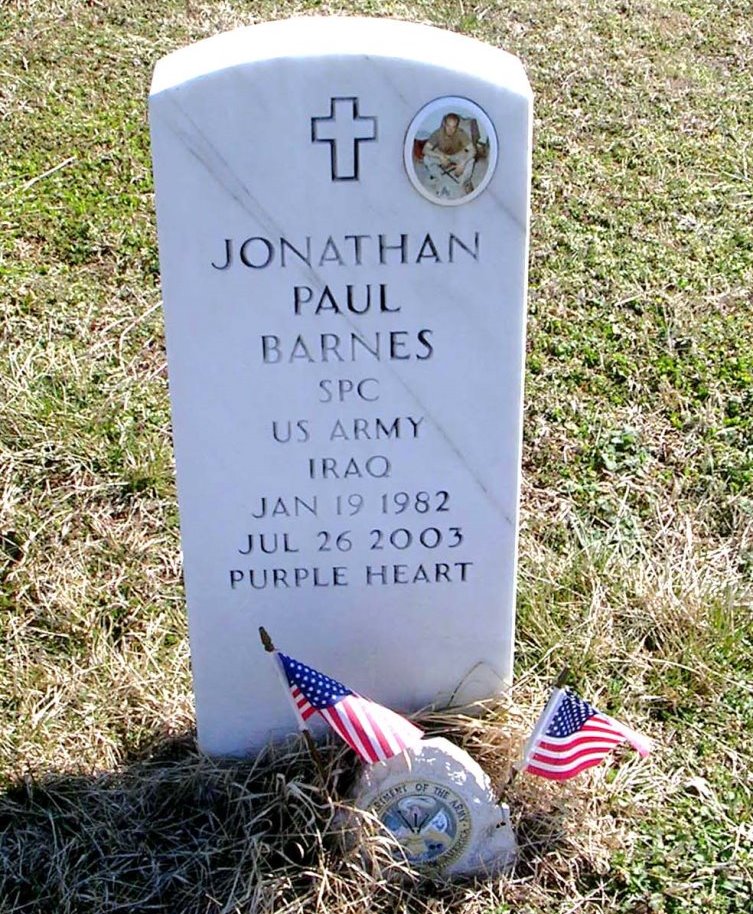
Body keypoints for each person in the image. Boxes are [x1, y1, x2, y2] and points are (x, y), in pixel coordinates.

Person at [422, 113, 476, 196]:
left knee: (471, 160)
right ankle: (438, 177)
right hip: (442, 154)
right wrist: (439, 156)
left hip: (457, 154)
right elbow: (425, 150)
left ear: (457, 126)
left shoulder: (461, 133)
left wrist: (463, 163)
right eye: (448, 126)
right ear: (444, 124)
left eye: (453, 127)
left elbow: (473, 150)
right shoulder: (437, 133)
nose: (450, 130)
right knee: (426, 159)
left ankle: (465, 182)